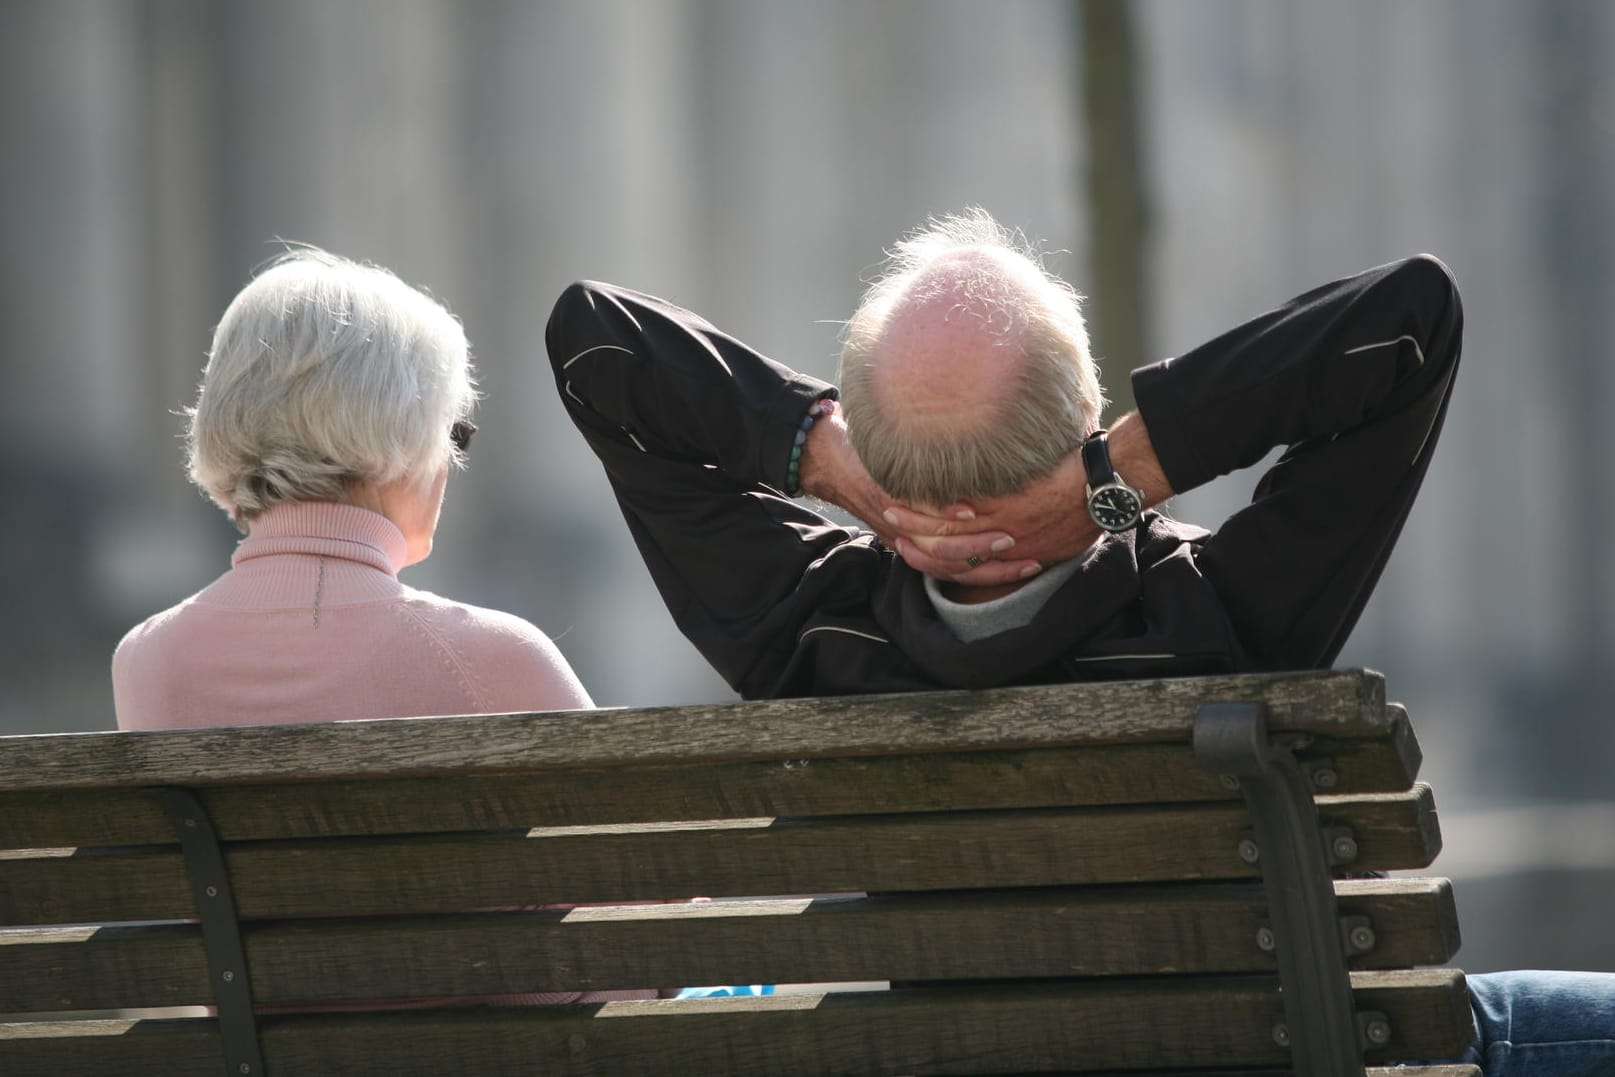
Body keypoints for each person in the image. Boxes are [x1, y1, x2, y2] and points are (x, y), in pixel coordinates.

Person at [544, 210, 1614, 1073]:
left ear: (876, 458)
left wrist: (827, 464)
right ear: (1091, 408)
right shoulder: (1214, 614)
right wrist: (1116, 485)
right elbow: (1407, 321)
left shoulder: (805, 630)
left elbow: (595, 343)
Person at [113, 247, 642, 1005]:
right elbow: (644, 915)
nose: (450, 465)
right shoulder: (492, 660)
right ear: (398, 436)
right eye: (452, 433)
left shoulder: (146, 661)